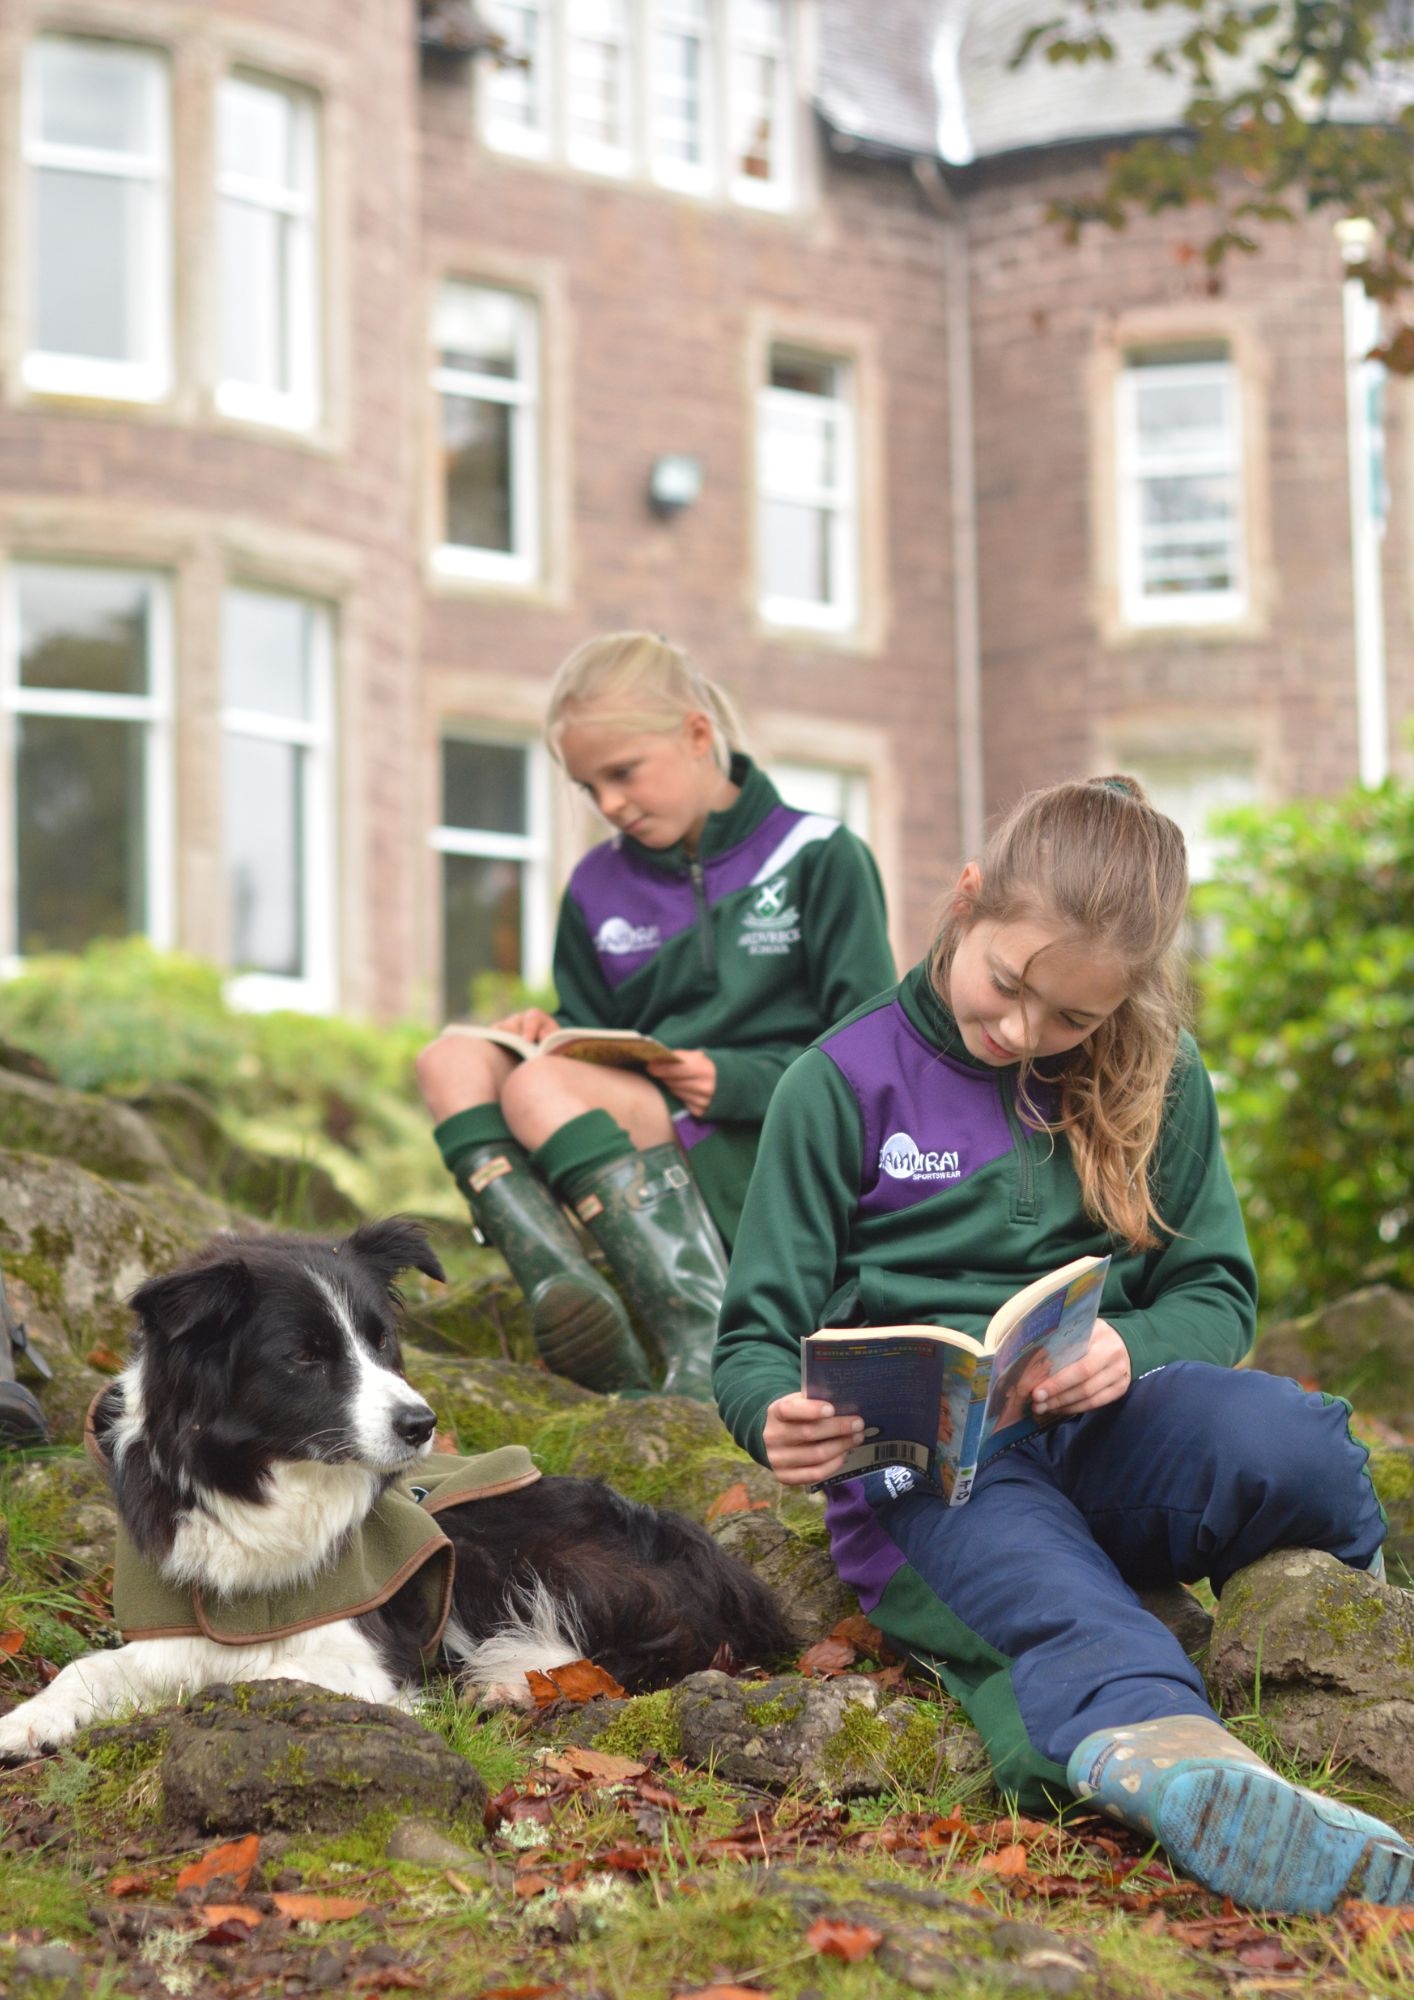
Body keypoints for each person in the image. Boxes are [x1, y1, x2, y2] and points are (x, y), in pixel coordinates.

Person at [713, 775, 1411, 1914]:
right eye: (1007, 987)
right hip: (928, 1470)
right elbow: (752, 1336)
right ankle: (1183, 1769)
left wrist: (1128, 1348)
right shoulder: (836, 1083)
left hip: (1100, 1425)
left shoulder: (1160, 1071)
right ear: (967, 899)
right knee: (1060, 1601)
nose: (1022, 1032)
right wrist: (773, 1415)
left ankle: (1362, 1631)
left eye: (1072, 1018)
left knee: (1285, 1435)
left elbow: (1213, 1288)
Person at [417, 631, 895, 1402]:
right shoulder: (596, 884)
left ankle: (707, 1338)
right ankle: (567, 1294)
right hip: (633, 1135)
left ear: (697, 735)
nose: (609, 804)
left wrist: (734, 1080)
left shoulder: (820, 856)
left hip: (762, 1139)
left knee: (541, 1092)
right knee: (451, 1059)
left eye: (623, 773)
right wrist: (553, 1028)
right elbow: (593, 1023)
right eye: (588, 788)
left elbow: (876, 1063)